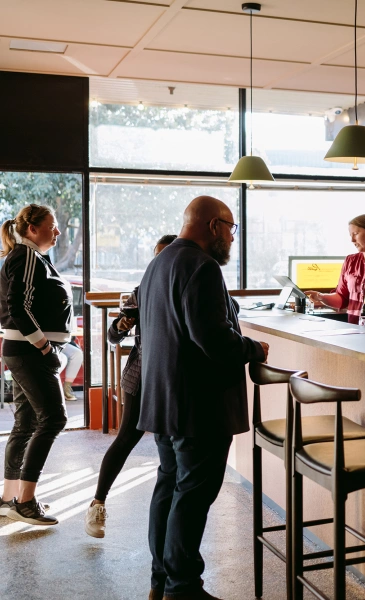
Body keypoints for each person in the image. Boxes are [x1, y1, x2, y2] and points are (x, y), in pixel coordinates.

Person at [138, 197, 267, 600]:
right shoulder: (202, 266)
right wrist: (254, 349)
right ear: (214, 226)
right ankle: (183, 589)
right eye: (231, 228)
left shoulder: (159, 262)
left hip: (163, 400)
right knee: (192, 496)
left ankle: (161, 582)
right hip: (198, 405)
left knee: (169, 488)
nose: (232, 238)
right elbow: (213, 340)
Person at [83, 234, 176, 539]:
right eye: (156, 256)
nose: (159, 262)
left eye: (165, 256)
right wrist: (121, 325)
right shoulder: (142, 291)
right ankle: (98, 503)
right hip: (140, 375)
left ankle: (171, 516)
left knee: (169, 445)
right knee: (126, 438)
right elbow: (112, 336)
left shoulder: (185, 288)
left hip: (171, 379)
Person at [0, 204, 72, 526]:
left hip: (26, 351)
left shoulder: (31, 257)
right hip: (31, 352)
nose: (57, 231)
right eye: (52, 225)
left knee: (26, 423)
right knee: (54, 418)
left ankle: (9, 498)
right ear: (32, 228)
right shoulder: (27, 256)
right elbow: (18, 306)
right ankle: (26, 502)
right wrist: (45, 347)